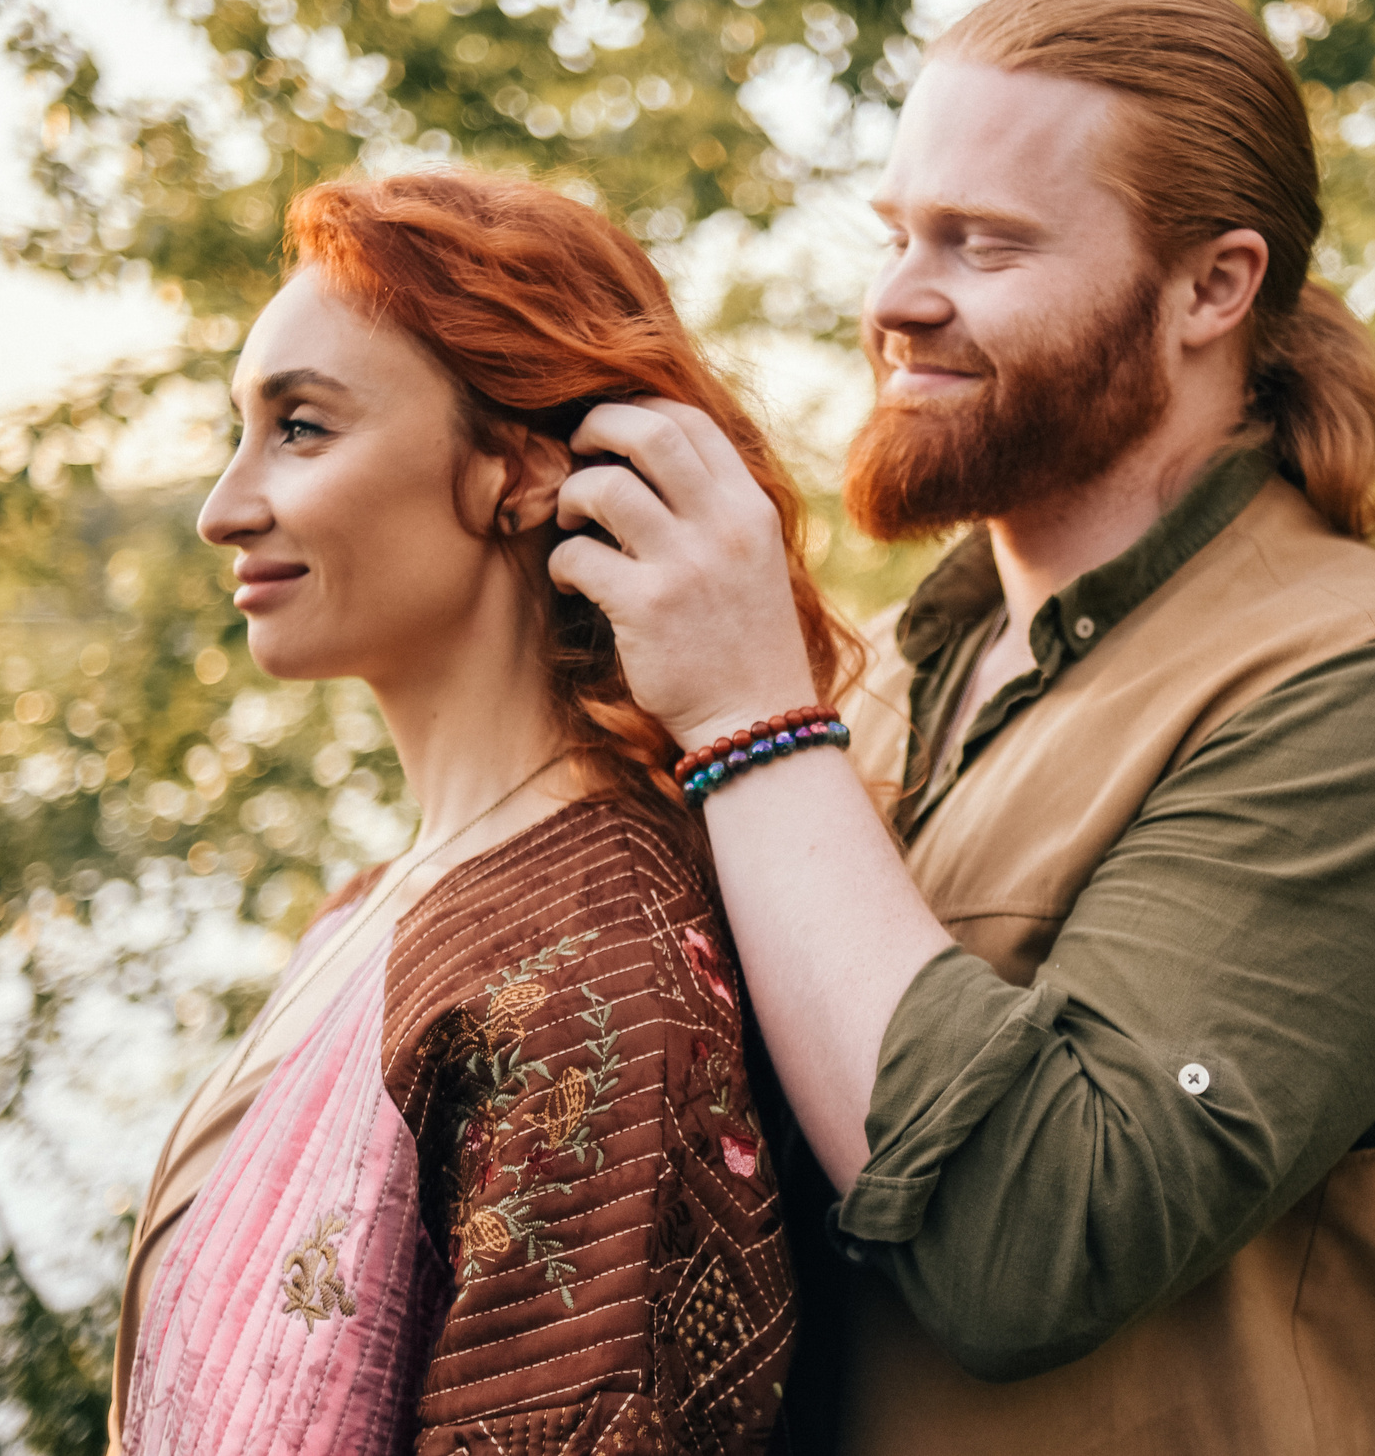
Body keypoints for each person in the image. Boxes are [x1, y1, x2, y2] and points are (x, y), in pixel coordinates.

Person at [549, 0, 1375, 1453]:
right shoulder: (901, 676)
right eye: (899, 234)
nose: (897, 299)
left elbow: (1031, 1244)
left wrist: (749, 722)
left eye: (986, 245)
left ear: (1214, 289)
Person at [109, 169, 855, 1454]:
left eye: (301, 427)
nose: (222, 507)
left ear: (518, 467)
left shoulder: (591, 975)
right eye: (245, 427)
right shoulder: (385, 901)